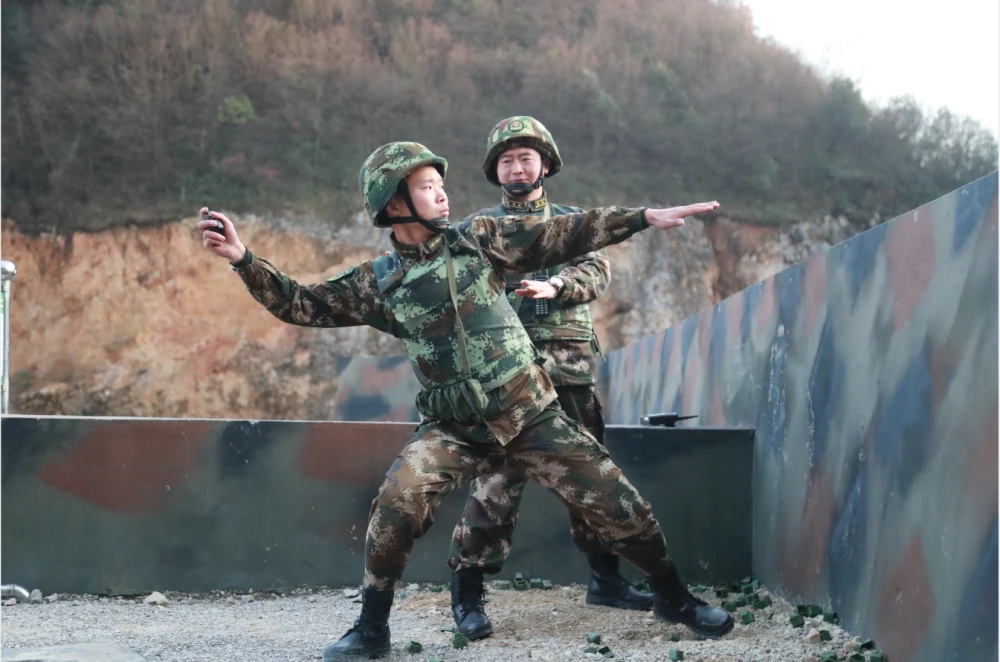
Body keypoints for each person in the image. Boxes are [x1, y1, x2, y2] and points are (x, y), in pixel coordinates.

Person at [198, 141, 733, 661]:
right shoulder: (380, 282)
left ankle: (672, 597)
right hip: (453, 429)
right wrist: (243, 259)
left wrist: (640, 218)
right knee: (396, 505)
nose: (442, 194)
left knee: (618, 503)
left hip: (529, 414)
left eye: (441, 184)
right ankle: (371, 628)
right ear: (394, 204)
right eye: (427, 187)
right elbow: (300, 303)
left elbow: (561, 233)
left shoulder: (479, 240)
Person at [446, 116, 651, 643]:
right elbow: (452, 285)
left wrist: (556, 283)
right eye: (507, 160)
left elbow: (595, 272)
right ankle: (468, 596)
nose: (517, 168)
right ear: (495, 170)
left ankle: (607, 581)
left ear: (545, 165)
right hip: (506, 377)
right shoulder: (477, 230)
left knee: (591, 478)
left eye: (526, 158)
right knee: (495, 480)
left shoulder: (573, 224)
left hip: (569, 374)